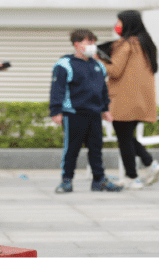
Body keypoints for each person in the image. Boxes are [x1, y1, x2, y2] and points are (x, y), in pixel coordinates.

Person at [50, 29, 123, 194]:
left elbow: (103, 90)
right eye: (89, 42)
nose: (93, 46)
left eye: (94, 42)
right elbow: (57, 89)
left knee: (96, 149)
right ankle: (66, 181)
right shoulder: (64, 64)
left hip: (94, 114)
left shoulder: (98, 65)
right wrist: (56, 111)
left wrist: (105, 109)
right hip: (74, 113)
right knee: (72, 149)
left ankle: (99, 180)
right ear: (77, 45)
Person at [98, 10, 159, 189]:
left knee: (124, 139)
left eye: (119, 21)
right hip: (140, 100)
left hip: (123, 99)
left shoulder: (126, 44)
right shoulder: (145, 44)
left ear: (127, 23)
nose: (117, 25)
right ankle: (149, 164)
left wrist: (98, 60)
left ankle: (133, 176)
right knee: (127, 136)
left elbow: (114, 70)